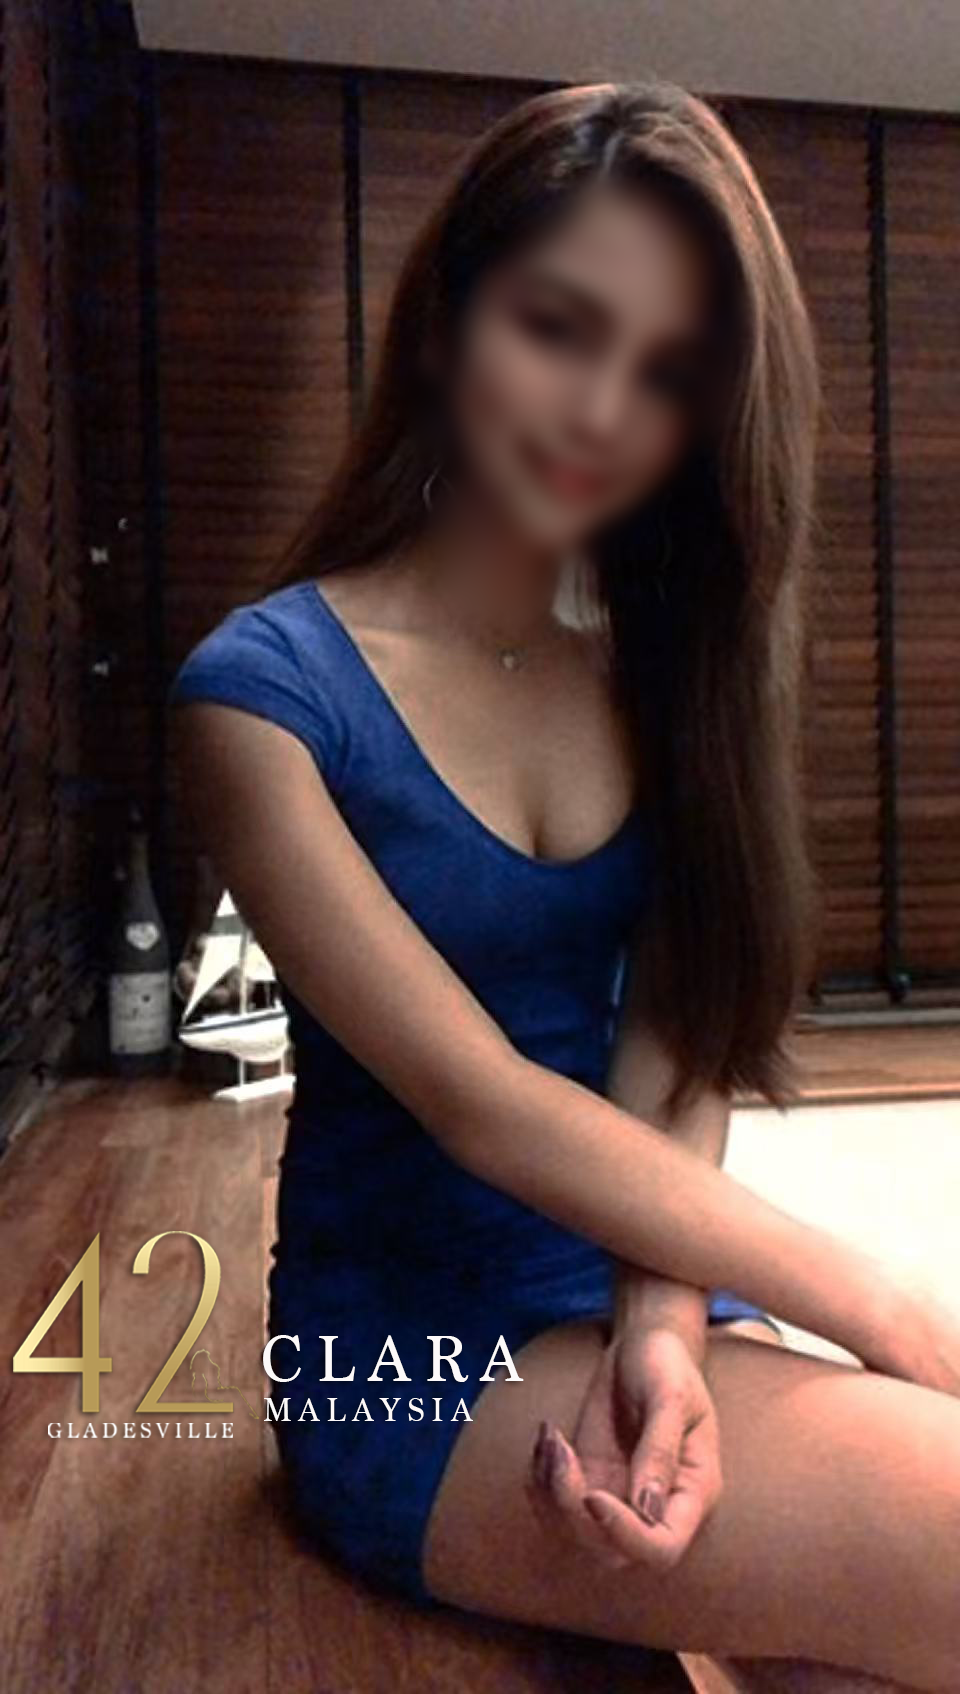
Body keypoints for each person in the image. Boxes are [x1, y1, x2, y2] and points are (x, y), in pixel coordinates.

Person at [168, 80, 960, 1689]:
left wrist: (664, 1320)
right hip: (406, 1359)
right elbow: (488, 1105)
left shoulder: (657, 681)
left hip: (641, 1286)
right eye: (559, 326)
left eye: (662, 373)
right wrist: (883, 1303)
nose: (601, 407)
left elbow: (673, 1061)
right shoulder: (262, 697)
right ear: (451, 313)